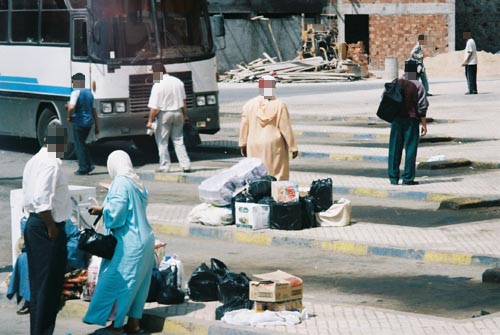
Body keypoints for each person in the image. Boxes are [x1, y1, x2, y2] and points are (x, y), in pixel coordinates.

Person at [84, 150, 155, 335]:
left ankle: (116, 327)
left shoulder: (120, 182)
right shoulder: (136, 181)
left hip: (129, 242)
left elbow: (116, 216)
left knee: (118, 282)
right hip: (145, 240)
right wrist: (104, 207)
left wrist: (103, 210)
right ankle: (134, 324)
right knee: (138, 285)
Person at [22, 123, 71, 335]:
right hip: (46, 227)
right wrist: (51, 227)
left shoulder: (35, 160)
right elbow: (41, 199)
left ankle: (39, 331)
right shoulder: (51, 163)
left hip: (36, 225)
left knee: (40, 285)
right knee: (48, 287)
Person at [239, 75, 298, 181]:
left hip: (254, 144)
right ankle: (274, 195)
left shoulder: (249, 105)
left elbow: (244, 126)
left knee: (256, 174)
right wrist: (293, 147)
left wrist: (243, 144)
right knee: (276, 174)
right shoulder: (280, 105)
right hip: (274, 145)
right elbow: (285, 128)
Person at [388, 61, 429, 186]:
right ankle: (408, 178)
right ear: (415, 72)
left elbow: (386, 98)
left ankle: (393, 178)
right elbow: (422, 107)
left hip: (396, 120)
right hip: (411, 120)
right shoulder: (418, 85)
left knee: (394, 148)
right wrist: (424, 124)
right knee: (410, 149)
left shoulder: (396, 82)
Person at [147, 63, 191, 173]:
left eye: (153, 73)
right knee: (178, 140)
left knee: (162, 141)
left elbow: (154, 106)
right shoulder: (177, 81)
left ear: (156, 72)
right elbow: (184, 101)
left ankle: (165, 166)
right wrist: (185, 115)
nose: (153, 75)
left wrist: (150, 120)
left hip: (165, 114)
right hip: (178, 113)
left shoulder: (157, 84)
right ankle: (185, 165)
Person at [66, 73, 99, 175]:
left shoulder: (75, 93)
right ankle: (89, 164)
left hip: (79, 122)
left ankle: (83, 168)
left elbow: (71, 107)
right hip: (88, 123)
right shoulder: (90, 94)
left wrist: (69, 116)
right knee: (82, 143)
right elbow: (94, 111)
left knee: (79, 145)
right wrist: (97, 126)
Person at [462, 29, 478, 95]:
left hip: (470, 63)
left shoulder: (469, 42)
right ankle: (474, 89)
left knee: (470, 76)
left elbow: (470, 52)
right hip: (473, 62)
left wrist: (465, 61)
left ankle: (471, 90)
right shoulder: (472, 41)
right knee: (472, 76)